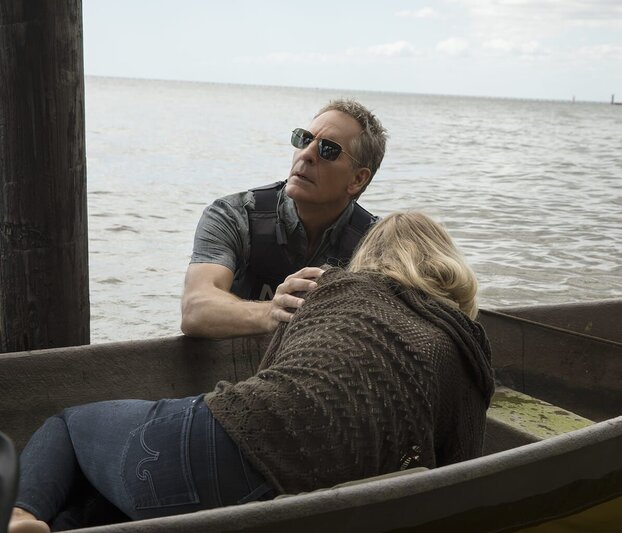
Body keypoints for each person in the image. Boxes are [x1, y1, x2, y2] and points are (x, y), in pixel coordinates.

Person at [9, 212, 495, 533]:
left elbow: (269, 377)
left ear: (368, 258)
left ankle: (21, 513)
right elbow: (461, 477)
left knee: (70, 424)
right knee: (115, 497)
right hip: (304, 503)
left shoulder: (330, 286)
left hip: (216, 449)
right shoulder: (461, 345)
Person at [181, 99, 387, 339]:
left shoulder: (378, 244)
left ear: (357, 180)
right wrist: (272, 313)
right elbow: (195, 308)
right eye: (304, 139)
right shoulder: (233, 216)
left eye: (328, 150)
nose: (307, 154)